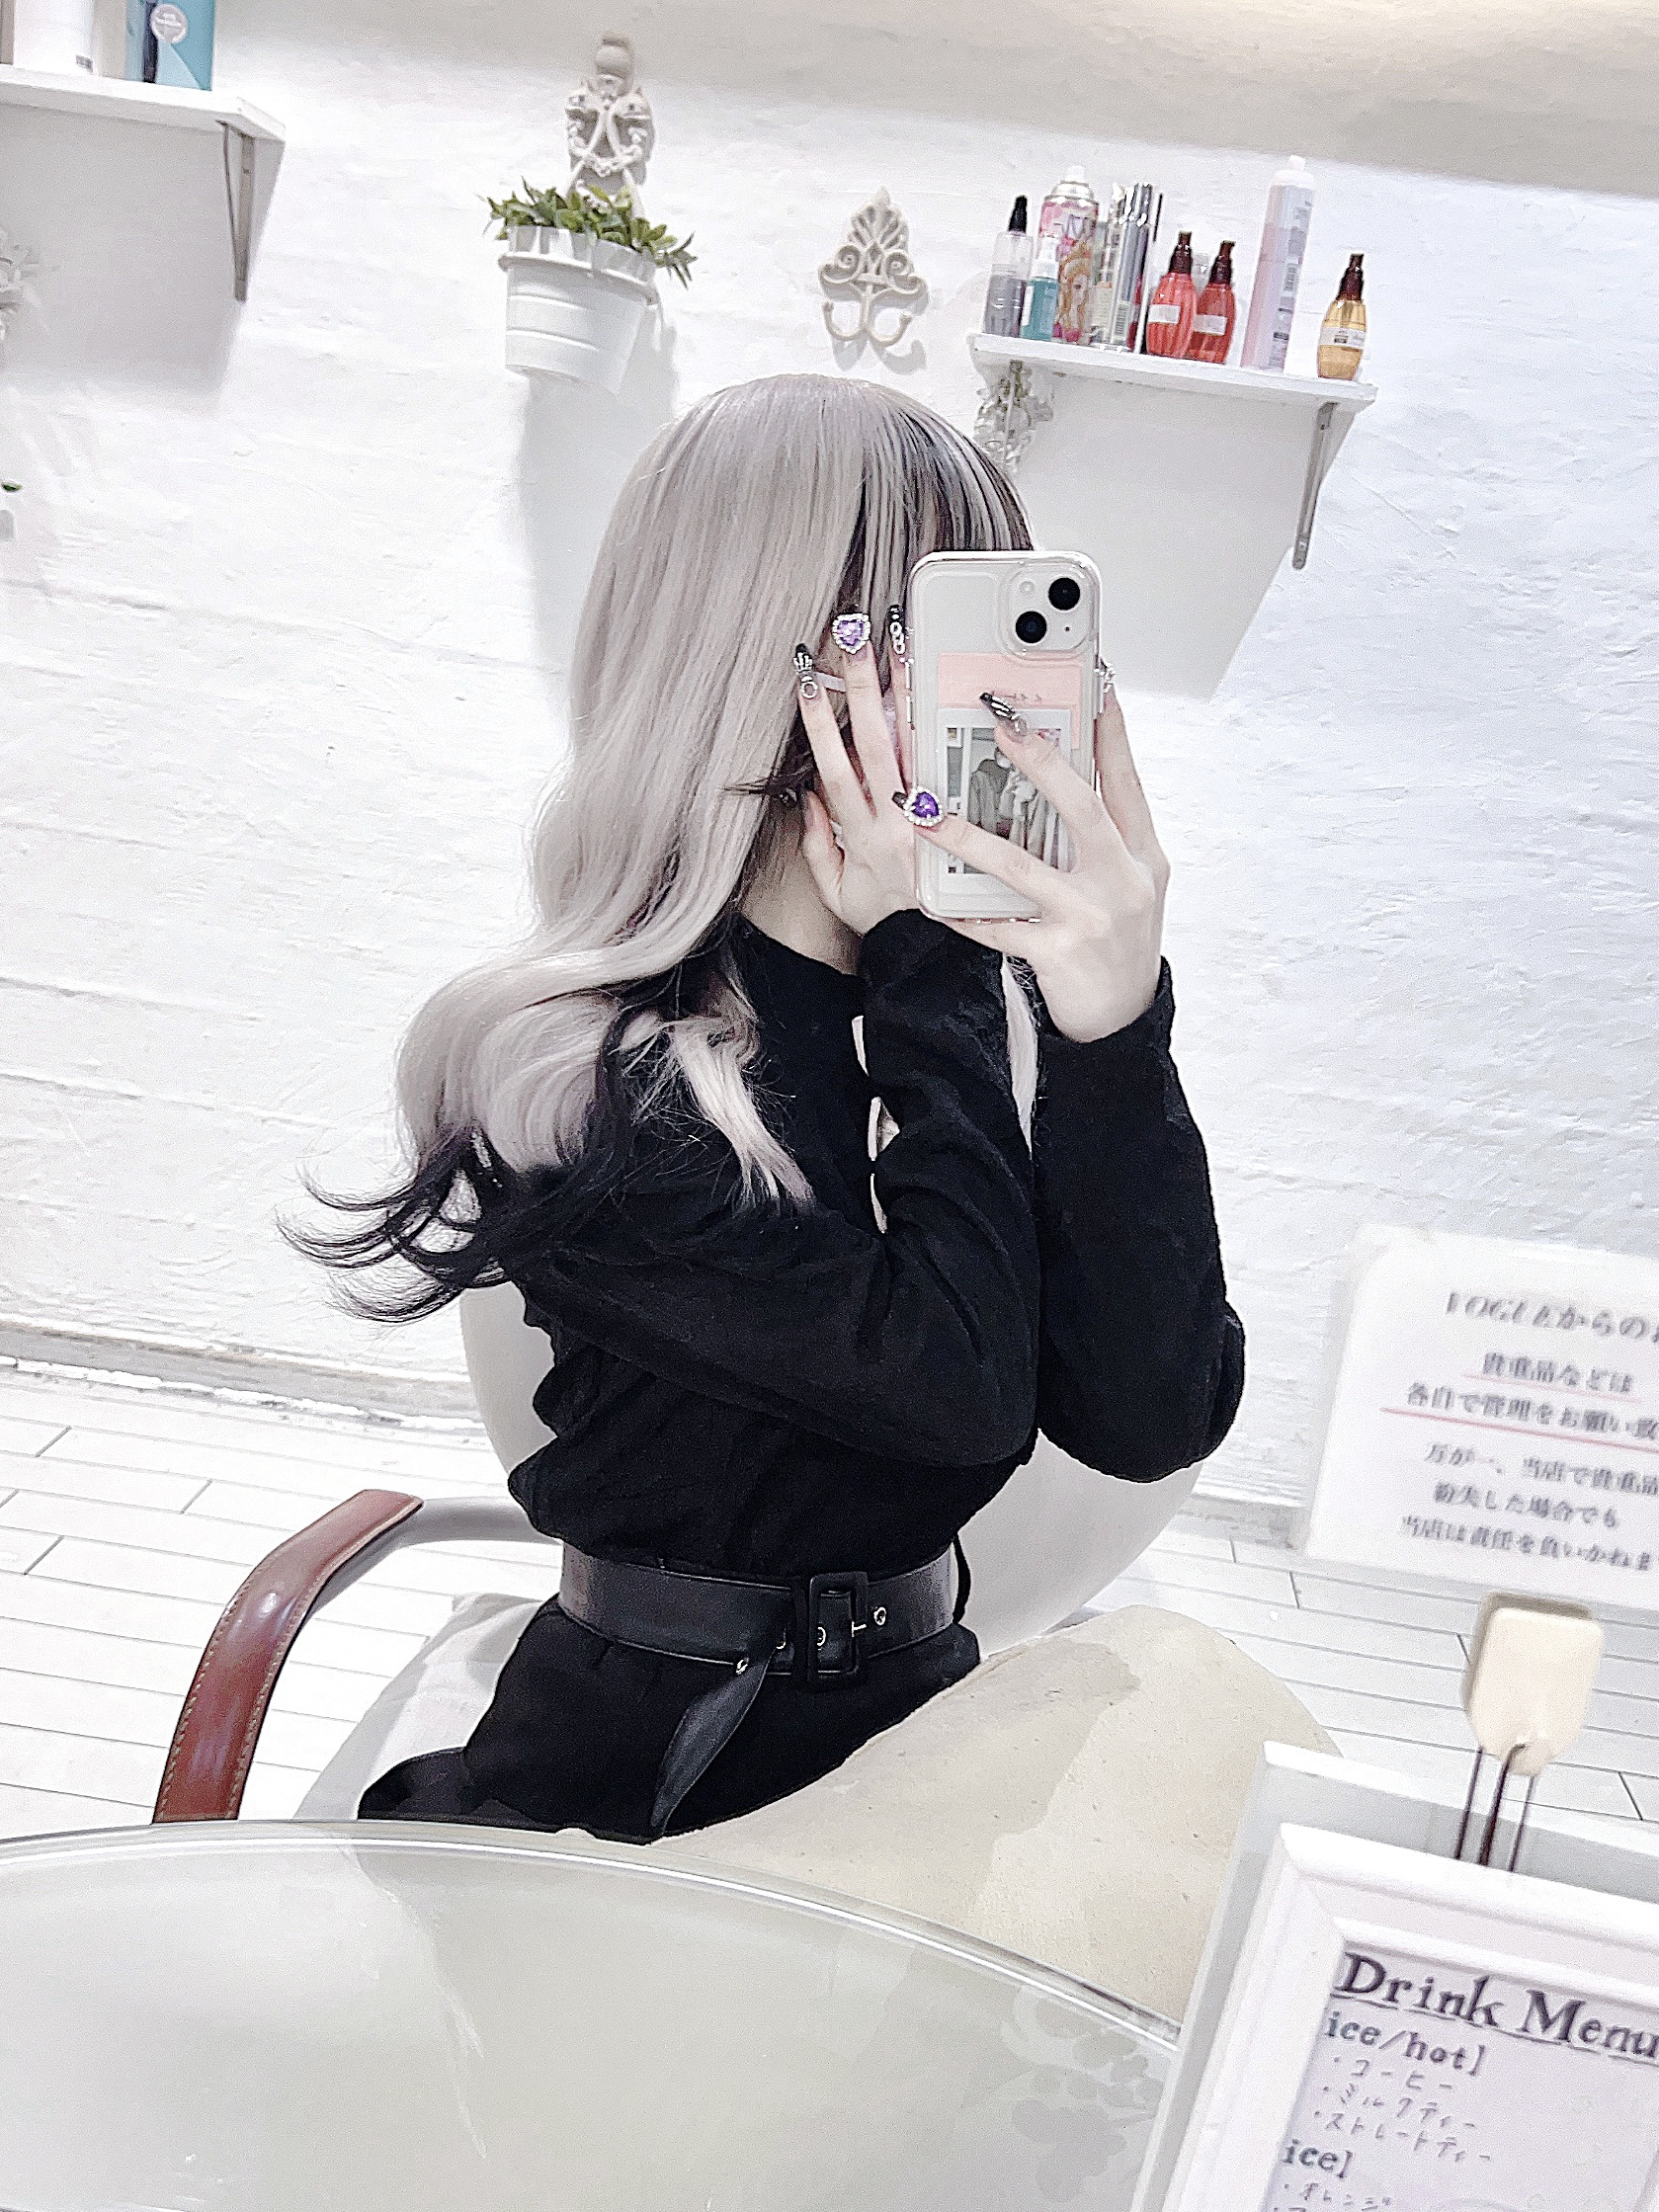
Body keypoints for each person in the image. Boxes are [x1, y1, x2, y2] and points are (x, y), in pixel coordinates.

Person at [292, 373, 1244, 1845]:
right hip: (647, 1806)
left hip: (911, 1756)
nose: (997, 705)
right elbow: (953, 1394)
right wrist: (933, 953)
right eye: (944, 648)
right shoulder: (593, 1078)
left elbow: (1153, 1413)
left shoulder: (966, 1018)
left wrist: (1115, 1026)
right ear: (787, 672)